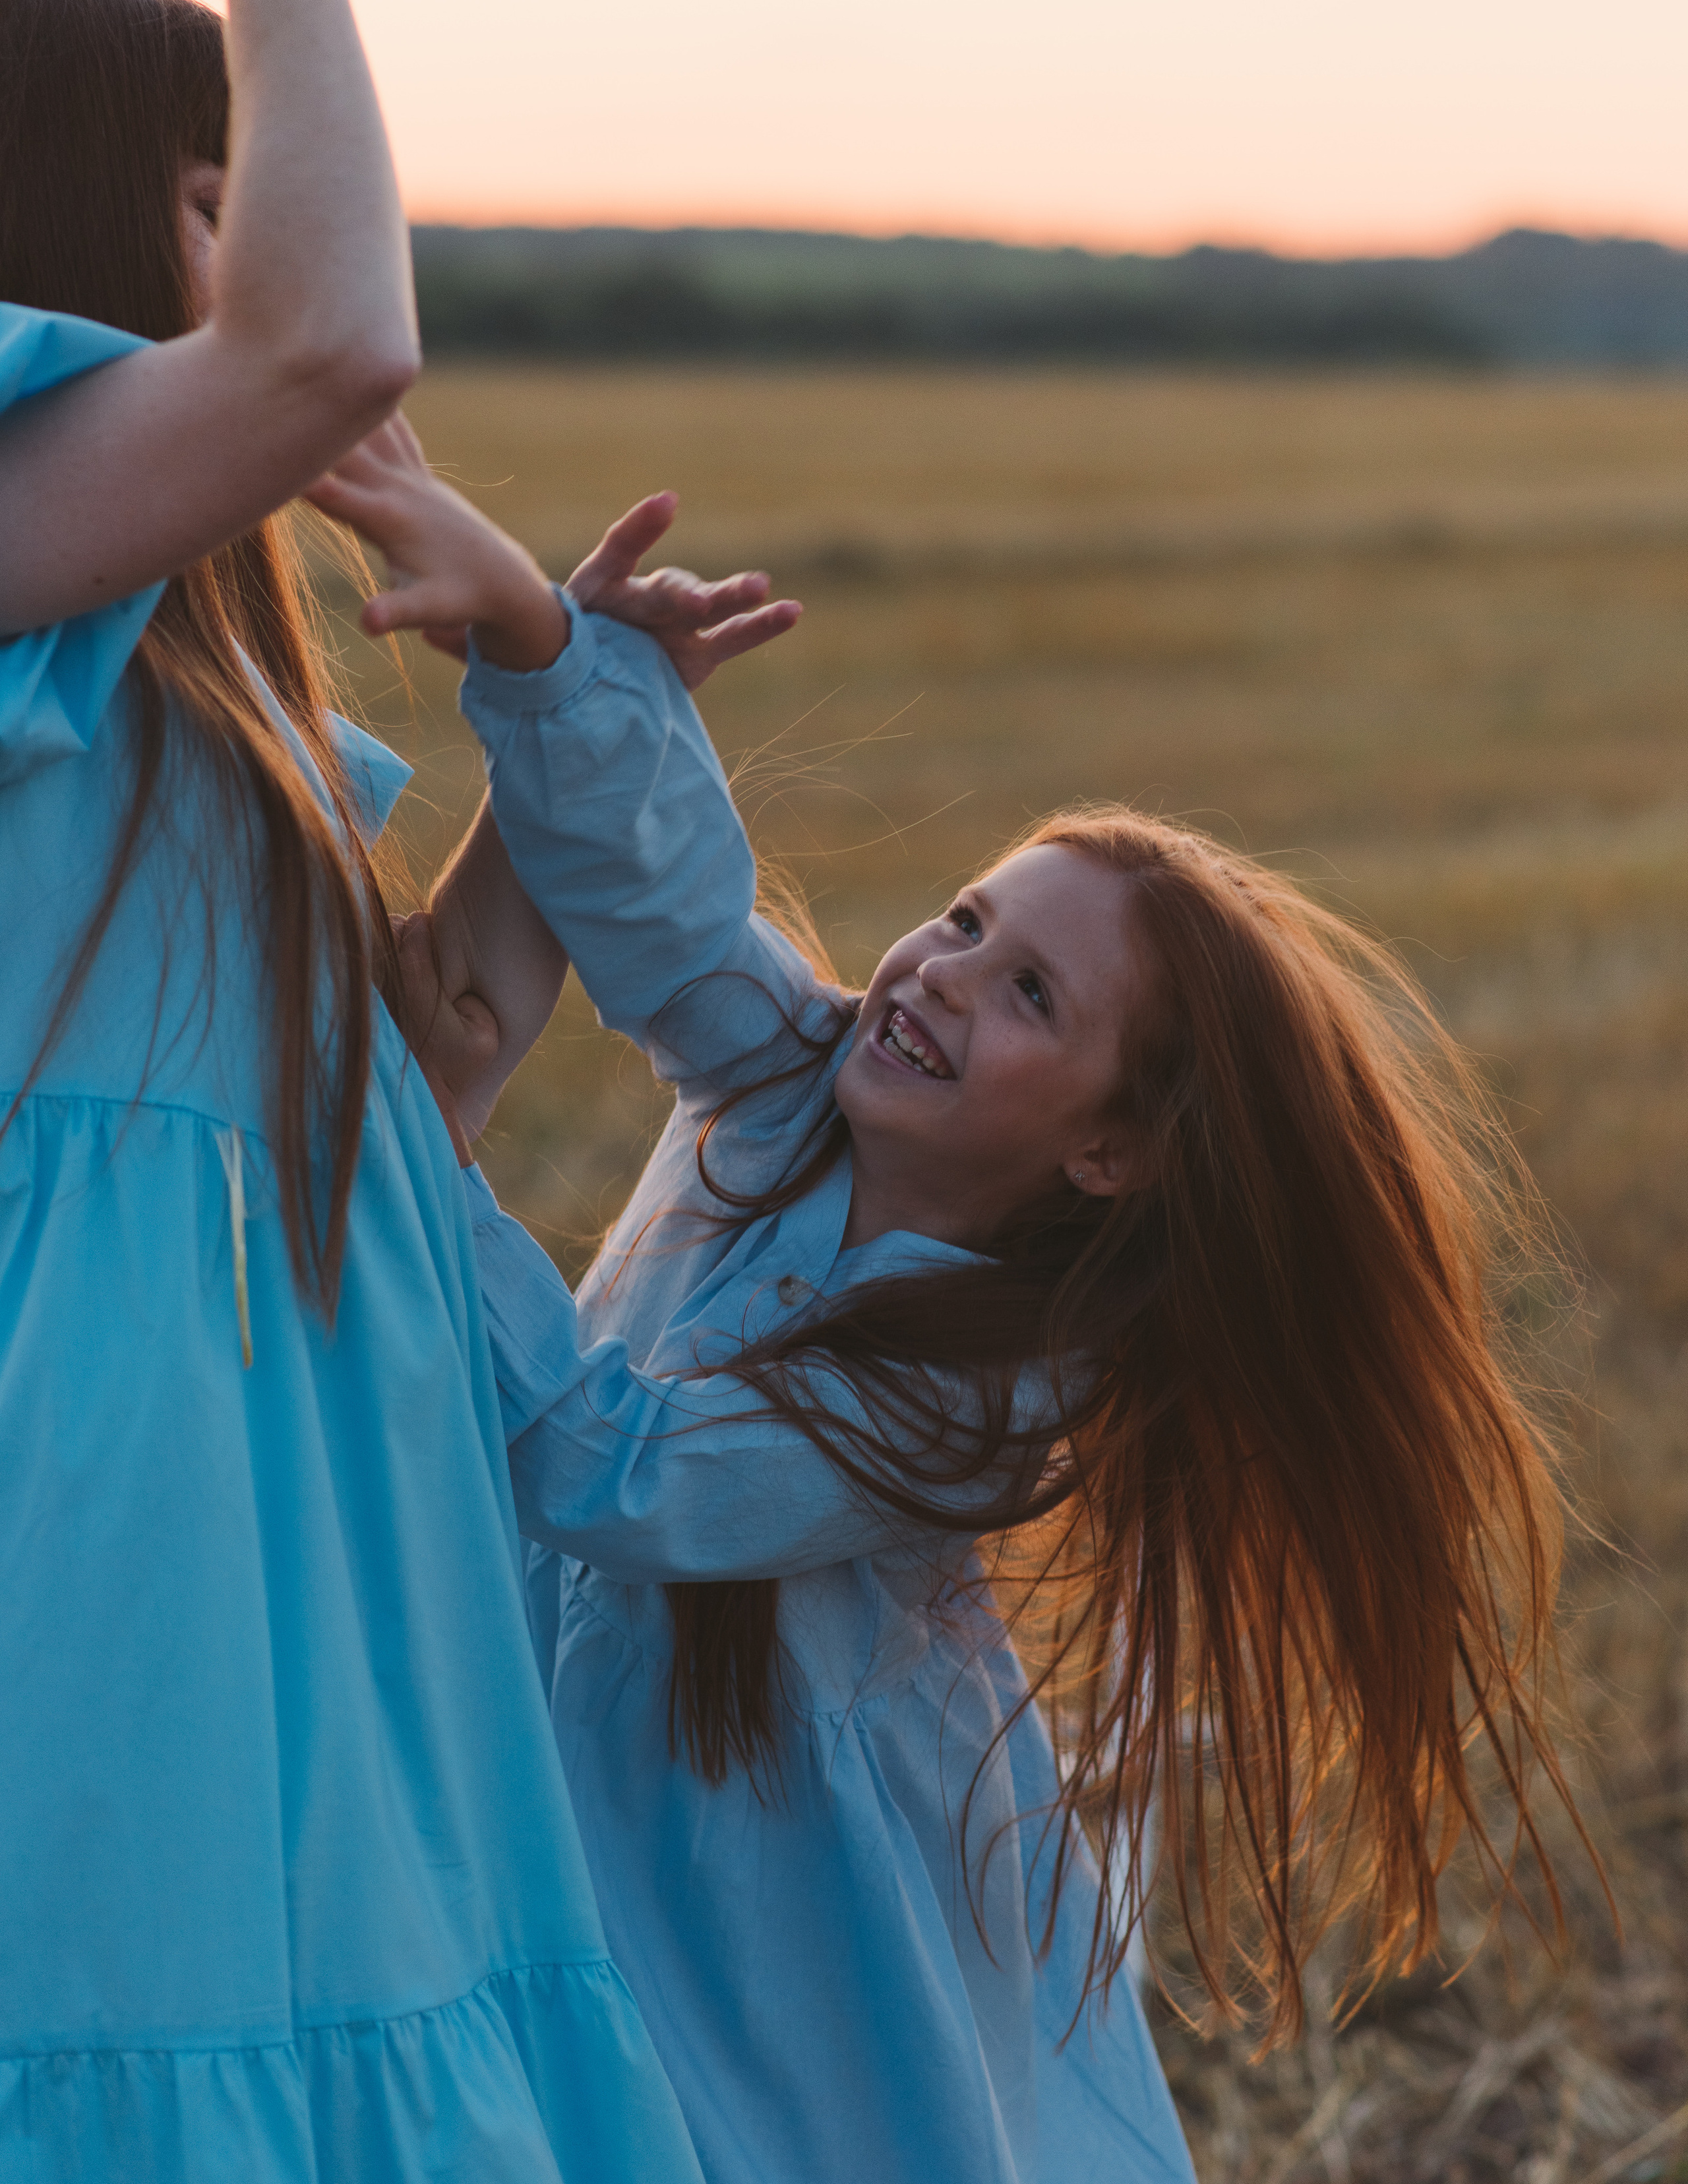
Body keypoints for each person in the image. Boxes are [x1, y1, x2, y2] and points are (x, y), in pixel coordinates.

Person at [315, 410, 1582, 2184]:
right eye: (974, 921)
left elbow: (614, 1470)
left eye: (1034, 998)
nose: (943, 976)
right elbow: (679, 925)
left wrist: (415, 1164)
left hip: (783, 1878)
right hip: (591, 1765)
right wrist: (562, 666)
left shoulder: (973, 1404)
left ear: (1111, 1156)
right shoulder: (800, 1085)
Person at [0, 1, 725, 2174]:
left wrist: (565, 713)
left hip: (333, 1560)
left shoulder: (219, 727)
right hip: (102, 1545)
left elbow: (417, 1102)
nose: (266, 237)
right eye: (225, 193)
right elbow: (329, 350)